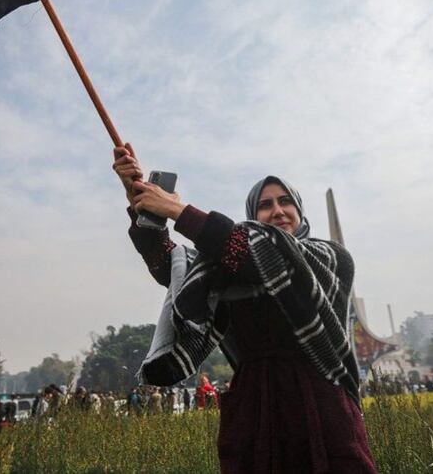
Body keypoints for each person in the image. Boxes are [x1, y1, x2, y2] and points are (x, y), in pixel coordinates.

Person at [114, 144, 377, 473]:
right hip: (253, 409)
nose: (278, 210)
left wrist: (178, 210)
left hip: (321, 403)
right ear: (255, 217)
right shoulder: (230, 264)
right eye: (266, 205)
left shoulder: (331, 258)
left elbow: (264, 256)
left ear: (300, 211)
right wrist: (140, 202)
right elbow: (172, 267)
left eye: (285, 202)